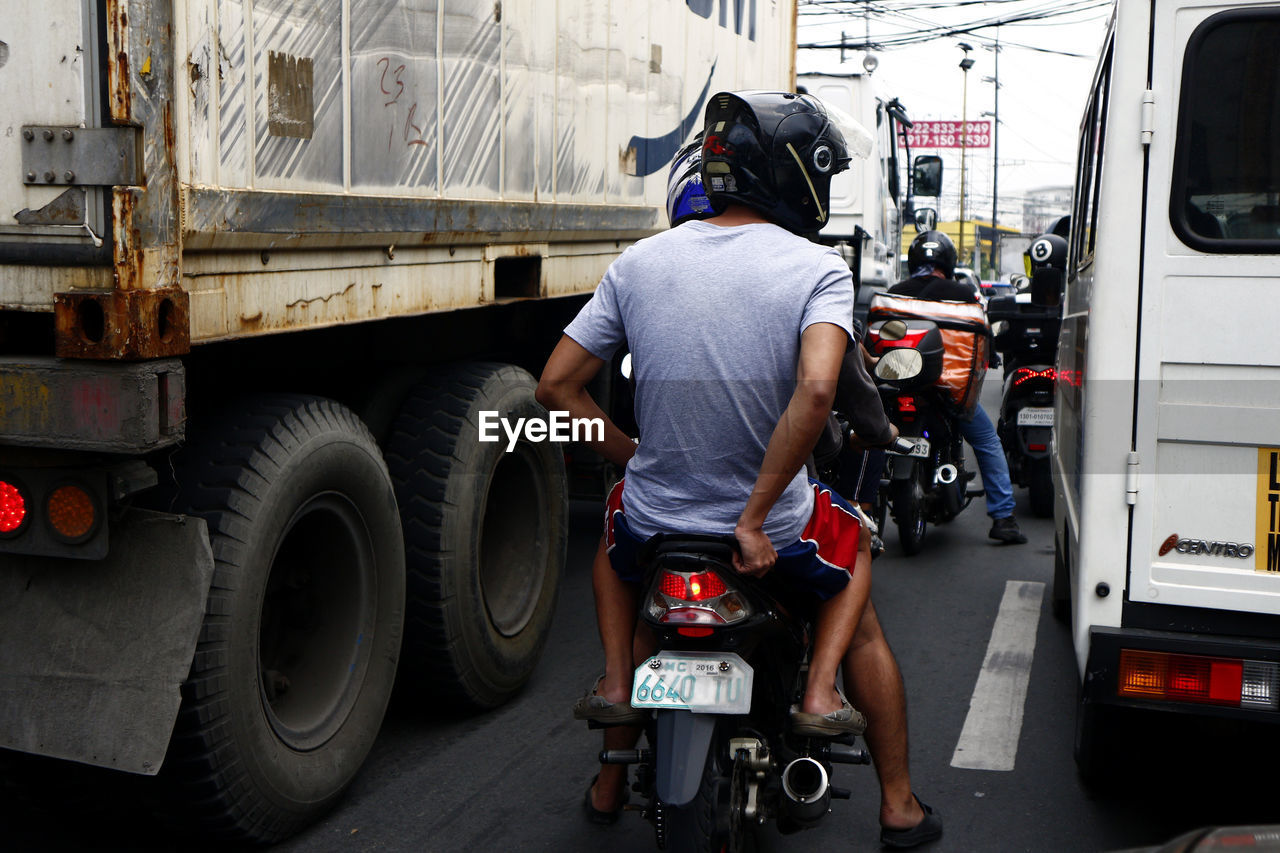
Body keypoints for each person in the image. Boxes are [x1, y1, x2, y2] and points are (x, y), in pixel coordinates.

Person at [536, 91, 942, 848]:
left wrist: (637, 458)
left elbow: (555, 384)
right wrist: (753, 517)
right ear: (797, 177)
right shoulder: (816, 269)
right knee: (851, 552)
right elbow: (822, 389)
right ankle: (879, 778)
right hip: (770, 531)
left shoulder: (639, 262)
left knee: (613, 543)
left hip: (658, 523)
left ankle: (619, 693)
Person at [889, 230, 1028, 545]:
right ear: (948, 263)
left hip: (901, 387)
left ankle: (863, 507)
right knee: (988, 442)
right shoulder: (964, 295)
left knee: (870, 437)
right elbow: (981, 336)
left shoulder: (896, 292)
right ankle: (1003, 518)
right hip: (948, 390)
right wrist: (989, 358)